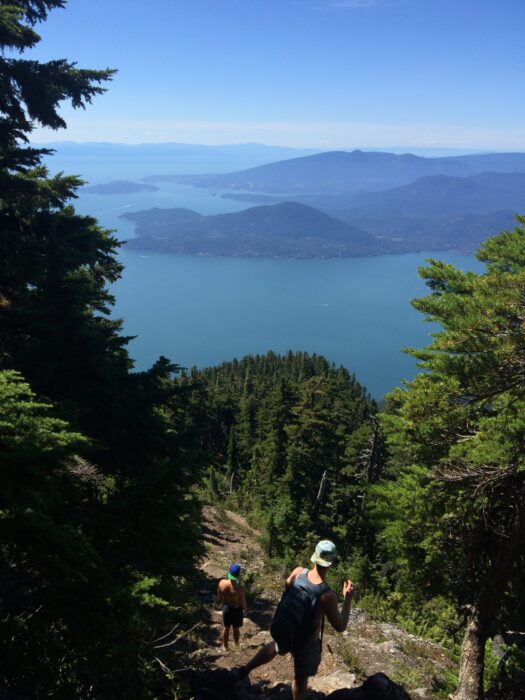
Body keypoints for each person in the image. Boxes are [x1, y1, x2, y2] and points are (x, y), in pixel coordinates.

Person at [233, 540, 354, 700]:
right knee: (300, 678)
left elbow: (287, 586)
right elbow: (340, 626)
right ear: (330, 564)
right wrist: (348, 599)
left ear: (315, 557)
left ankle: (244, 670)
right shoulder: (326, 595)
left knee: (275, 647)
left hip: (284, 628)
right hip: (304, 641)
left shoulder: (298, 572)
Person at [217, 563, 248, 651]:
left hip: (226, 607)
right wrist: (245, 610)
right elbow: (243, 602)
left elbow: (219, 597)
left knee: (226, 627)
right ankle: (236, 644)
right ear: (238, 575)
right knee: (236, 628)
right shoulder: (240, 588)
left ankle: (225, 646)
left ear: (229, 572)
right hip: (237, 610)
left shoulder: (221, 583)